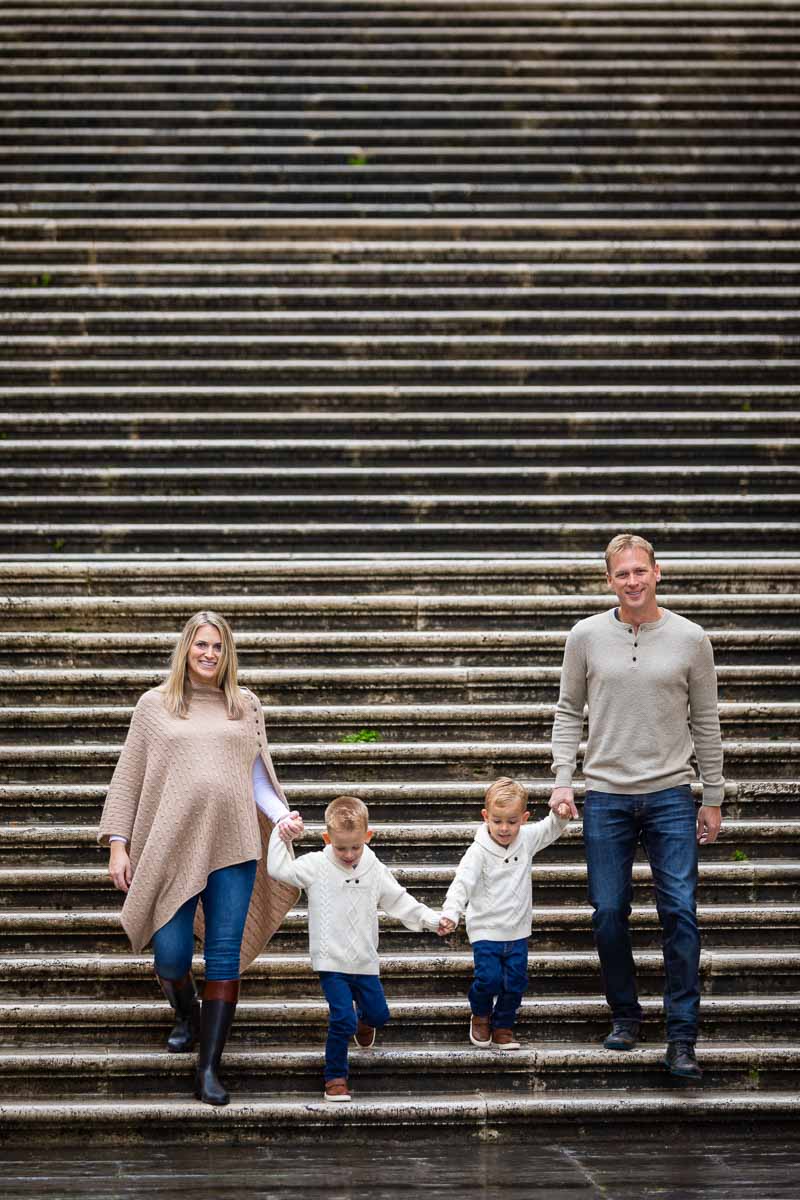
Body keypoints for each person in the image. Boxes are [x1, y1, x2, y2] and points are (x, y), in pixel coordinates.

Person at [99, 610, 303, 1106]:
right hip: (170, 845)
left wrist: (281, 816)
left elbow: (256, 776)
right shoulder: (155, 705)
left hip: (234, 844)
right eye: (201, 645)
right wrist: (118, 844)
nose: (209, 654)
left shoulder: (244, 705)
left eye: (217, 646)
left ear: (226, 652)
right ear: (186, 649)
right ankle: (186, 1011)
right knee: (170, 953)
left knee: (224, 953)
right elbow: (128, 776)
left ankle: (208, 1067)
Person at [549, 533, 724, 1081]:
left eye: (639, 571)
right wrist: (561, 780)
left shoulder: (691, 639)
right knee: (606, 912)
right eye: (621, 574)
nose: (632, 581)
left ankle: (681, 1036)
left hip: (671, 793)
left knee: (680, 912)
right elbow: (568, 712)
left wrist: (712, 795)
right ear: (609, 580)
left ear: (657, 572)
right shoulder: (585, 636)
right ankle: (625, 1014)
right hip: (605, 794)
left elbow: (707, 722)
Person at [267, 794, 441, 1102]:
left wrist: (430, 919)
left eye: (356, 847)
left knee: (379, 1014)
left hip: (364, 960)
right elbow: (279, 870)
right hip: (330, 961)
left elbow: (399, 900)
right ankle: (335, 1077)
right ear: (327, 838)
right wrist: (279, 837)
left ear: (368, 837)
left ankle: (365, 1023)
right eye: (341, 847)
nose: (349, 854)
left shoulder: (373, 868)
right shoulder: (316, 866)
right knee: (341, 1019)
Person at [438, 777, 571, 1049]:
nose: (504, 828)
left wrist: (560, 814)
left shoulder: (527, 839)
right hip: (486, 930)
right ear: (486, 816)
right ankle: (481, 1014)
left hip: (518, 930)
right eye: (497, 821)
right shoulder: (477, 852)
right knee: (489, 979)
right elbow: (462, 883)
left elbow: (550, 829)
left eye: (512, 821)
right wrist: (452, 912)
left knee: (516, 982)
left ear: (523, 818)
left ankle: (503, 1024)